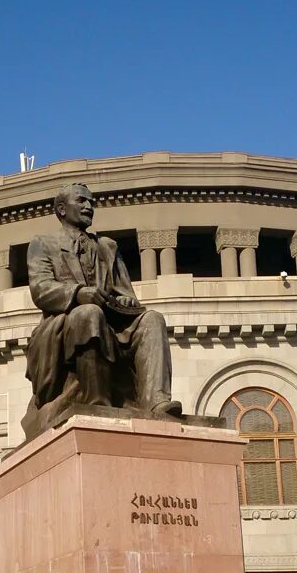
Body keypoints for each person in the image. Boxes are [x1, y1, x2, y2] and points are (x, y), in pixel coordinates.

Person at [21, 182, 182, 439]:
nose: (89, 206)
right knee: (88, 314)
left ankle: (156, 402)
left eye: (91, 202)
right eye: (82, 201)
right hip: (63, 327)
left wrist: (127, 301)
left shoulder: (108, 247)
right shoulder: (43, 244)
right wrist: (77, 294)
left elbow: (124, 292)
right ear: (61, 210)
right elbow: (41, 289)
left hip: (113, 323)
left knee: (153, 319)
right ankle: (97, 401)